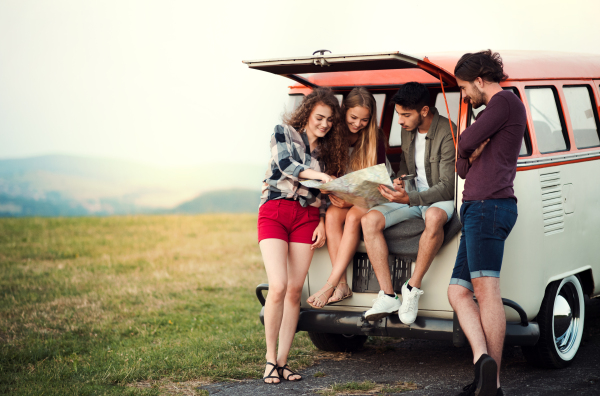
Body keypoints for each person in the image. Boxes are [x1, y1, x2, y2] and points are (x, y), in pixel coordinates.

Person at [447, 50, 526, 396]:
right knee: (458, 292)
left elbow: (463, 143)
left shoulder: (504, 103)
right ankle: (483, 363)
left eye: (464, 88)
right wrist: (472, 148)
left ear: (479, 80)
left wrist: (471, 145)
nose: (465, 96)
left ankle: (492, 385)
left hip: (489, 207)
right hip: (477, 209)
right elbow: (461, 166)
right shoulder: (490, 114)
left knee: (485, 291)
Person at [257, 87, 346, 384]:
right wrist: (320, 176)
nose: (324, 124)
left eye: (330, 120)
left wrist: (322, 221)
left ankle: (282, 362)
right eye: (319, 117)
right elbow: (286, 166)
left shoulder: (327, 150)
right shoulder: (283, 132)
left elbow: (327, 195)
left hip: (306, 217)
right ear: (307, 112)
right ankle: (269, 359)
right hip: (275, 211)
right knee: (279, 286)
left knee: (296, 291)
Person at [361, 82, 456, 324]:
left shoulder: (448, 132)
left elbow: (447, 185)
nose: (401, 121)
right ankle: (388, 295)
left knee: (434, 218)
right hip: (411, 196)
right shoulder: (407, 130)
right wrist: (399, 181)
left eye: (406, 115)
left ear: (424, 111)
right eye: (399, 115)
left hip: (438, 198)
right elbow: (407, 167)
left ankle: (412, 288)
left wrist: (411, 198)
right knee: (369, 219)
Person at [306, 87, 391, 309]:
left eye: (364, 120)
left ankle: (330, 283)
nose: (358, 124)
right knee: (334, 216)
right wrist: (328, 201)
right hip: (343, 196)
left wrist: (351, 200)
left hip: (370, 197)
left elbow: (376, 183)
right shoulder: (333, 136)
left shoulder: (375, 138)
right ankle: (342, 284)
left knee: (353, 217)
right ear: (344, 112)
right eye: (353, 117)